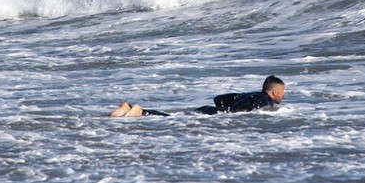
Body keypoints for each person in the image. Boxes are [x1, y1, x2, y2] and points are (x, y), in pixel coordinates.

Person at [109, 75, 286, 117]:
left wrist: (228, 110)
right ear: (274, 92)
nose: (283, 95)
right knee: (171, 118)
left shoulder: (248, 94)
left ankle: (129, 108)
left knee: (172, 117)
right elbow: (253, 113)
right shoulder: (266, 100)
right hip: (215, 114)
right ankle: (139, 111)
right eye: (282, 92)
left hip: (209, 109)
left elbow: (219, 99)